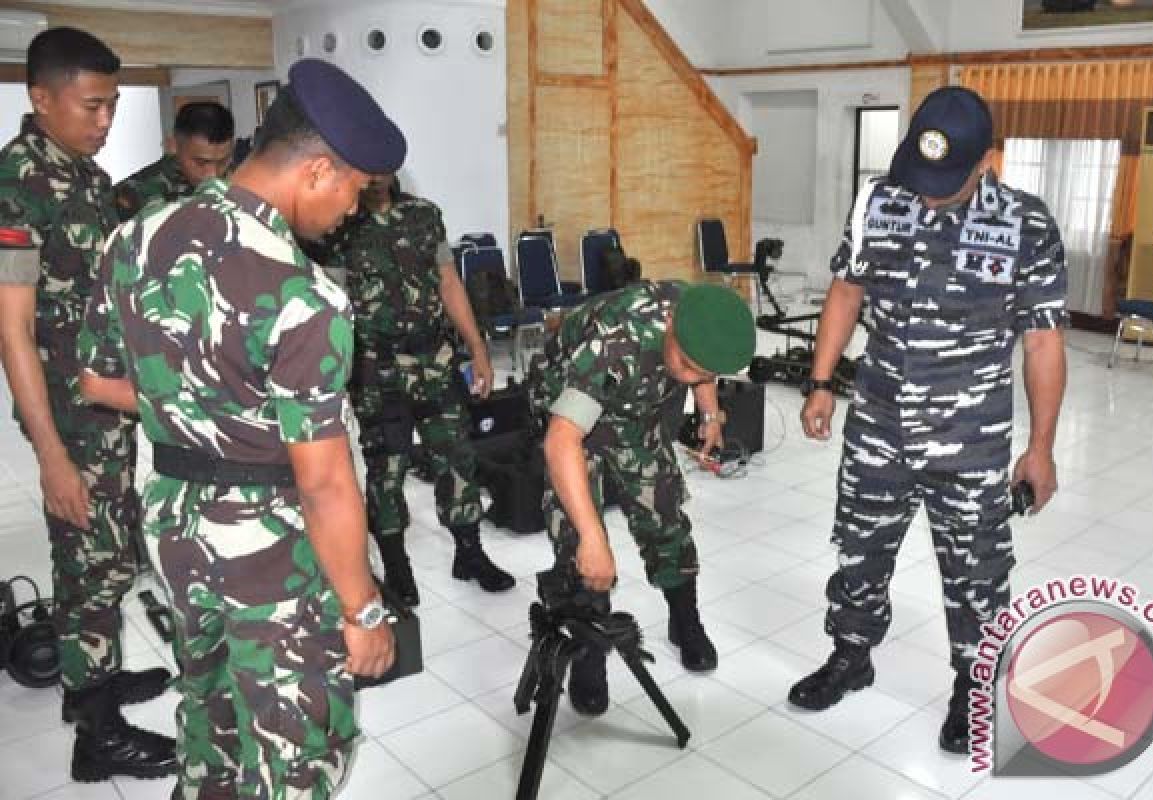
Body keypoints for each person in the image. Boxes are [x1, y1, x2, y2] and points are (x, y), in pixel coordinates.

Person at [77, 58, 402, 798]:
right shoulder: (304, 294)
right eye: (355, 190)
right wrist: (363, 610)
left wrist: (192, 407)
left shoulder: (135, 236)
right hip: (270, 549)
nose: (353, 211)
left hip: (175, 529)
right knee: (299, 748)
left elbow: (96, 379)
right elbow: (322, 482)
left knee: (212, 715)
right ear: (319, 170)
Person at [786, 87, 1068, 754]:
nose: (929, 194)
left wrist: (1042, 448)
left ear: (986, 161)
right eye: (922, 174)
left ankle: (973, 685)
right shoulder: (880, 200)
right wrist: (821, 382)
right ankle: (851, 656)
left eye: (947, 181)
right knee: (858, 553)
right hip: (878, 426)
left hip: (969, 443)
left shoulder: (1026, 224)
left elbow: (1043, 341)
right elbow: (847, 289)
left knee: (977, 574)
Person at [0, 26, 175, 782]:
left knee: (104, 563)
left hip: (106, 411)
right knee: (89, 566)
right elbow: (11, 329)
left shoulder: (86, 175)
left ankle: (92, 680)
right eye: (92, 106)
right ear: (41, 99)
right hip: (71, 422)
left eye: (113, 107)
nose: (105, 122)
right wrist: (51, 458)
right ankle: (96, 736)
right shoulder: (19, 183)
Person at [531, 281, 756, 715]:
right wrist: (594, 537)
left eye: (702, 374)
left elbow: (704, 363)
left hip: (636, 408)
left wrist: (708, 412)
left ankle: (684, 617)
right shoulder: (614, 342)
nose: (691, 379)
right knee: (577, 539)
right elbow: (562, 442)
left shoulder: (697, 315)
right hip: (573, 414)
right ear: (668, 324)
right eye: (686, 366)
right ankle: (589, 651)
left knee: (665, 515)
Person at [320, 173, 514, 606]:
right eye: (366, 170)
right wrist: (332, 375)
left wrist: (478, 347)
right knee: (387, 469)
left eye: (383, 169)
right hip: (376, 369)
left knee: (456, 457)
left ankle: (470, 553)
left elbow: (448, 283)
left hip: (435, 361)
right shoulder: (338, 226)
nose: (375, 179)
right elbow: (331, 305)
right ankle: (396, 567)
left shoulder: (424, 217)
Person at [114, 101, 235, 221]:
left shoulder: (242, 180)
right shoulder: (134, 192)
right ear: (174, 145)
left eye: (222, 162)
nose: (212, 175)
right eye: (201, 163)